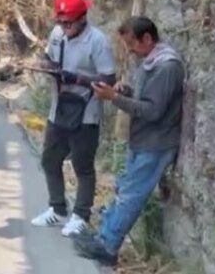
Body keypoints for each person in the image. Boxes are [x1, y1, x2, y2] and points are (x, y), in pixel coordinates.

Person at [74, 16, 185, 266]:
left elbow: (153, 111)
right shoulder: (152, 62)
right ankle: (104, 237)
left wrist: (114, 97)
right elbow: (146, 99)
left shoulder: (167, 67)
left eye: (132, 44)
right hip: (143, 140)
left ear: (147, 38)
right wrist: (126, 92)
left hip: (155, 143)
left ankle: (108, 247)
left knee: (131, 195)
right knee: (124, 191)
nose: (130, 51)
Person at [31, 0, 117, 238]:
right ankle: (57, 209)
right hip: (58, 108)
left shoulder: (97, 41)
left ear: (82, 18)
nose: (63, 27)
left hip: (86, 112)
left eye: (68, 23)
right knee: (49, 159)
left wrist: (77, 78)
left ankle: (80, 216)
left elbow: (108, 79)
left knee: (82, 165)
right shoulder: (58, 34)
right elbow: (49, 57)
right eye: (60, 22)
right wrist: (47, 66)